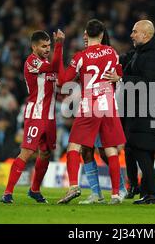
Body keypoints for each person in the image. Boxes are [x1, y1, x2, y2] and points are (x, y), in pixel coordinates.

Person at [104, 20, 155, 204]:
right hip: (151, 111)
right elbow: (127, 62)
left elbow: (147, 83)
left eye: (135, 32)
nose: (131, 35)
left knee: (146, 150)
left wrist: (121, 78)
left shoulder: (153, 57)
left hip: (152, 112)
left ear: (146, 35)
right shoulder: (142, 54)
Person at [57, 19, 126, 205]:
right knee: (110, 150)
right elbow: (119, 73)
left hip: (90, 105)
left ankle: (73, 186)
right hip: (109, 104)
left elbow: (63, 81)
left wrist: (59, 49)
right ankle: (114, 194)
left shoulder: (81, 56)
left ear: (86, 34)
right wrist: (118, 77)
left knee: (74, 146)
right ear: (102, 34)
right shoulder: (112, 52)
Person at [0, 30, 64, 204]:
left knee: (46, 153)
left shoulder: (47, 62)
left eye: (49, 46)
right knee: (27, 151)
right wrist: (60, 44)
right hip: (36, 115)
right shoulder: (31, 61)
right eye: (43, 46)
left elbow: (58, 74)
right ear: (34, 46)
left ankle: (34, 190)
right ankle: (7, 192)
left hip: (50, 117)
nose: (47, 49)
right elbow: (53, 67)